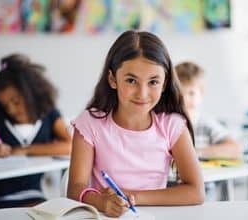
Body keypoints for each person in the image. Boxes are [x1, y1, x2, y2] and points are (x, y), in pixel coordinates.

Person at [67, 30, 205, 218]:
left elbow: (196, 192)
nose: (142, 93)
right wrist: (101, 202)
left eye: (153, 82)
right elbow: (75, 188)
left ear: (164, 84)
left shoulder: (172, 125)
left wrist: (132, 197)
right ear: (112, 79)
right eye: (131, 80)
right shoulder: (90, 123)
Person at [0, 53, 72, 209]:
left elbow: (70, 146)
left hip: (28, 193)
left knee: (45, 212)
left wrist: (24, 150)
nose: (11, 110)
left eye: (15, 101)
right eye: (5, 105)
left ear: (31, 93)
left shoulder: (49, 116)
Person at [175, 61, 241, 200]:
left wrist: (194, 154)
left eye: (191, 93)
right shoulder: (166, 123)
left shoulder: (206, 124)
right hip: (171, 189)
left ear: (201, 94)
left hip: (203, 192)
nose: (185, 99)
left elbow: (235, 149)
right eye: (180, 93)